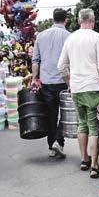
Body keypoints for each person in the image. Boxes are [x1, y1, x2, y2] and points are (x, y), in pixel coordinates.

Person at [58, 9, 99, 179]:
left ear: (78, 20)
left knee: (81, 124)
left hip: (76, 89)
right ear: (93, 20)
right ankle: (95, 166)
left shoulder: (70, 38)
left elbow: (61, 66)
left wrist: (70, 83)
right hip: (93, 88)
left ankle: (84, 160)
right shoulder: (97, 37)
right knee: (93, 127)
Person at [31, 8, 70, 158]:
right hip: (64, 81)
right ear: (65, 20)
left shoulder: (41, 36)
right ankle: (58, 142)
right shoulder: (69, 36)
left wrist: (34, 79)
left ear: (53, 19)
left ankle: (52, 145)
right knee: (66, 115)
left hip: (46, 82)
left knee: (51, 114)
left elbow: (36, 60)